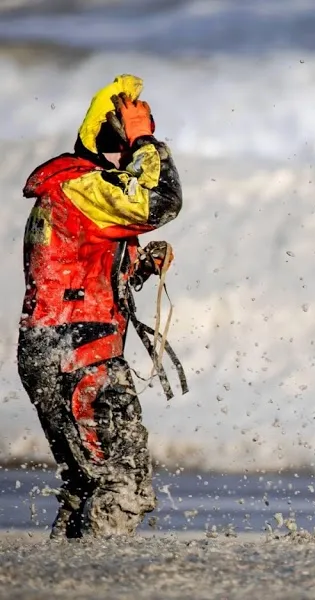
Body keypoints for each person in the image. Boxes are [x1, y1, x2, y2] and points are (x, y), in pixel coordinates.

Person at [18, 74, 182, 538]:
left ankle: (67, 578)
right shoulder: (83, 187)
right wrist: (148, 141)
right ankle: (101, 580)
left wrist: (139, 267)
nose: (127, 158)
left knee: (87, 484)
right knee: (123, 484)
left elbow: (76, 275)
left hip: (58, 350)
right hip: (77, 356)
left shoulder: (74, 190)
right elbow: (163, 201)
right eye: (121, 143)